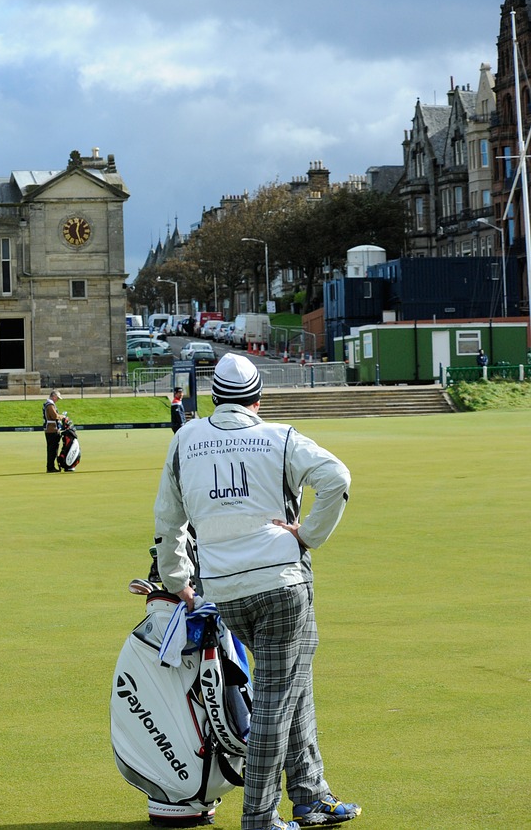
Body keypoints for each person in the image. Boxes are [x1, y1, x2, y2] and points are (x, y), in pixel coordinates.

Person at [152, 354, 361, 830]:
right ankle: (260, 818)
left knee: (293, 681)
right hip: (283, 585)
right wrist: (308, 534)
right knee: (273, 701)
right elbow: (337, 477)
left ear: (215, 399)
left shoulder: (186, 438)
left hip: (224, 590)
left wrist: (178, 581)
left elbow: (168, 521)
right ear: (257, 401)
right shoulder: (278, 435)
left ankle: (310, 795)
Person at [42, 390, 63, 473]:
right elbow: (54, 416)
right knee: (52, 449)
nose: (57, 400)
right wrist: (62, 416)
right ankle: (50, 467)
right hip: (52, 429)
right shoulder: (50, 405)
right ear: (53, 396)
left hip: (51, 429)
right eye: (57, 398)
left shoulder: (48, 404)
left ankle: (51, 466)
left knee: (52, 449)